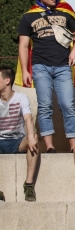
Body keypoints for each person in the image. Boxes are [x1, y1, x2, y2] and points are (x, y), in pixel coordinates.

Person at [16, 0, 75, 152]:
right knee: (45, 106)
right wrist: (25, 70)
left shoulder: (65, 13)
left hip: (63, 66)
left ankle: (73, 146)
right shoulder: (28, 17)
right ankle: (49, 146)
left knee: (67, 105)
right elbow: (23, 46)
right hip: (41, 67)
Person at [0, 66, 39, 201]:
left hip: (17, 142)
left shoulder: (21, 98)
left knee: (33, 137)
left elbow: (28, 118)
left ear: (7, 81)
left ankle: (28, 185)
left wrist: (30, 137)